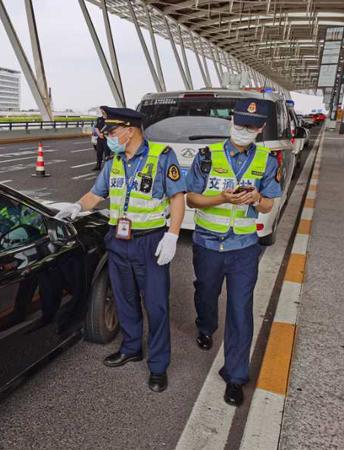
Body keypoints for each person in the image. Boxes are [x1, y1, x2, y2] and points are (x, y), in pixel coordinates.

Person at [55, 106, 186, 392]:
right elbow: (95, 195)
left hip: (150, 242)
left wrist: (173, 235)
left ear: (131, 129)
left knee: (157, 306)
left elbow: (177, 198)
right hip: (119, 241)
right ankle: (131, 348)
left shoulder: (162, 157)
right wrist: (76, 207)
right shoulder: (113, 161)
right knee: (125, 300)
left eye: (112, 131)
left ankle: (158, 366)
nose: (109, 137)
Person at [185, 98, 282, 406]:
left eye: (251, 127)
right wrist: (221, 199)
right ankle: (205, 325)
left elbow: (269, 203)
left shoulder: (266, 160)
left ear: (261, 128)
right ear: (231, 121)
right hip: (208, 244)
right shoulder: (206, 156)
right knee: (206, 293)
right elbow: (192, 199)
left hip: (243, 249)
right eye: (240, 124)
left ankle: (236, 376)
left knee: (241, 310)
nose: (244, 130)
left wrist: (255, 199)